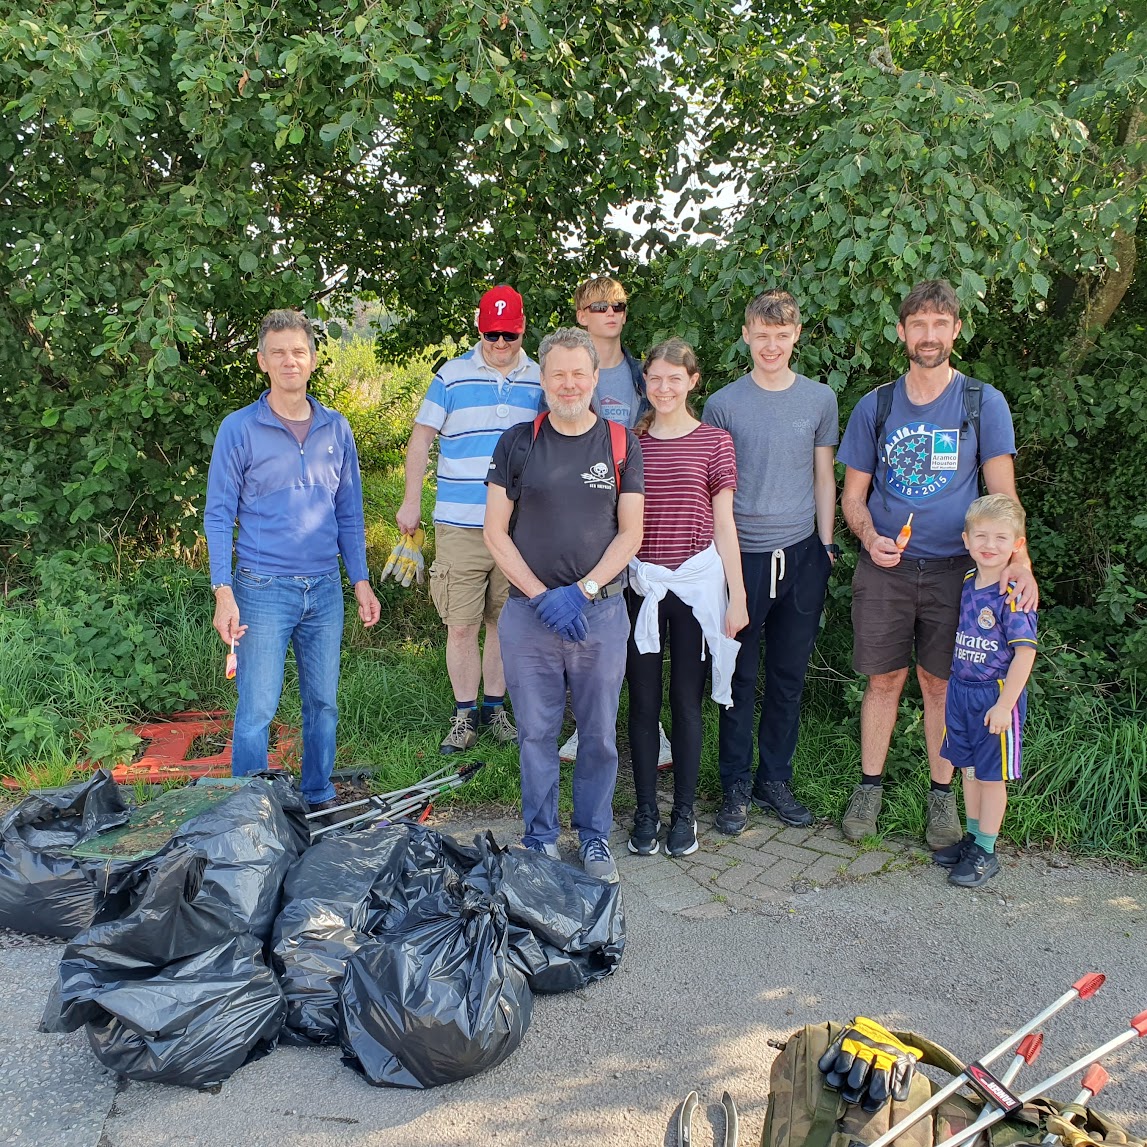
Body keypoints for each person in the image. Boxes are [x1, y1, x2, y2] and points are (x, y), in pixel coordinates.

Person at [837, 279, 1038, 848]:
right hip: (886, 569)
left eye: (939, 324)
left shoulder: (982, 402)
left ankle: (941, 797)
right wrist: (870, 536)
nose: (929, 335)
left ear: (956, 330)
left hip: (960, 573)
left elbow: (1003, 497)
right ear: (902, 332)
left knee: (941, 684)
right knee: (883, 680)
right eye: (918, 324)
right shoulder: (876, 405)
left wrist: (1021, 562)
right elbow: (852, 497)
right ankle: (869, 790)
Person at [204, 309, 381, 818]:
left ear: (313, 360)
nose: (289, 361)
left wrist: (360, 580)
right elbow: (218, 514)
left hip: (324, 589)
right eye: (278, 352)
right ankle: (249, 814)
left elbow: (349, 512)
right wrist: (223, 591)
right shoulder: (240, 428)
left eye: (298, 352)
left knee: (323, 704)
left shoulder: (335, 428)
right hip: (261, 589)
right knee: (257, 709)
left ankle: (318, 797)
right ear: (262, 361)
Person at [484, 327, 644, 883]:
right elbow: (495, 531)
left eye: (579, 373)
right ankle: (541, 837)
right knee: (535, 732)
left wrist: (583, 591)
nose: (569, 383)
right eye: (558, 374)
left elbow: (631, 533)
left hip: (599, 614)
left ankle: (595, 837)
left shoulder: (620, 444)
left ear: (595, 378)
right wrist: (541, 595)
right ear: (543, 379)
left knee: (598, 733)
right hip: (530, 618)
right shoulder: (517, 443)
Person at [702, 289, 840, 835]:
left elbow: (824, 474)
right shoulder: (724, 404)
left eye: (782, 336)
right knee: (737, 675)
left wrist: (825, 546)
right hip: (742, 558)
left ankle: (774, 779)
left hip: (803, 554)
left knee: (787, 677)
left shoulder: (819, 399)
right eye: (762, 335)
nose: (772, 346)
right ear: (746, 335)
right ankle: (735, 784)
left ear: (796, 336)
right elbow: (715, 491)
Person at [397, 286, 543, 754]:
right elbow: (421, 439)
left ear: (522, 329)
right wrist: (411, 501)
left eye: (509, 335)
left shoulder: (541, 377)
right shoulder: (451, 376)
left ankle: (495, 710)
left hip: (518, 527)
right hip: (459, 523)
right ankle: (463, 717)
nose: (500, 343)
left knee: (503, 621)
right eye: (491, 334)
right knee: (461, 625)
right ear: (480, 329)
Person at [625, 338, 747, 858]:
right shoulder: (630, 442)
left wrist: (737, 597)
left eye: (675, 378)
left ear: (693, 382)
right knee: (643, 702)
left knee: (686, 703)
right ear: (644, 383)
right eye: (655, 378)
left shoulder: (715, 442)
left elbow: (725, 524)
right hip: (644, 588)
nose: (664, 387)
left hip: (696, 589)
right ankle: (646, 811)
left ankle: (684, 813)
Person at [560, 275, 672, 768]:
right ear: (581, 315)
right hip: (584, 515)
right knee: (586, 621)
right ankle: (585, 728)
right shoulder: (568, 373)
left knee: (643, 624)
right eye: (599, 306)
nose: (611, 313)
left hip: (637, 513)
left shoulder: (642, 375)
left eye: (619, 306)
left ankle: (653, 728)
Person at [933, 494, 1037, 888]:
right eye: (981, 536)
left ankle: (987, 852)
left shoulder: (1014, 593)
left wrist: (1005, 705)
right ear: (966, 540)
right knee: (970, 771)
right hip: (961, 691)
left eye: (1000, 537)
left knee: (991, 777)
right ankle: (973, 839)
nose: (989, 545)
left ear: (1016, 544)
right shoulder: (968, 582)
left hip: (994, 697)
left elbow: (1024, 654)